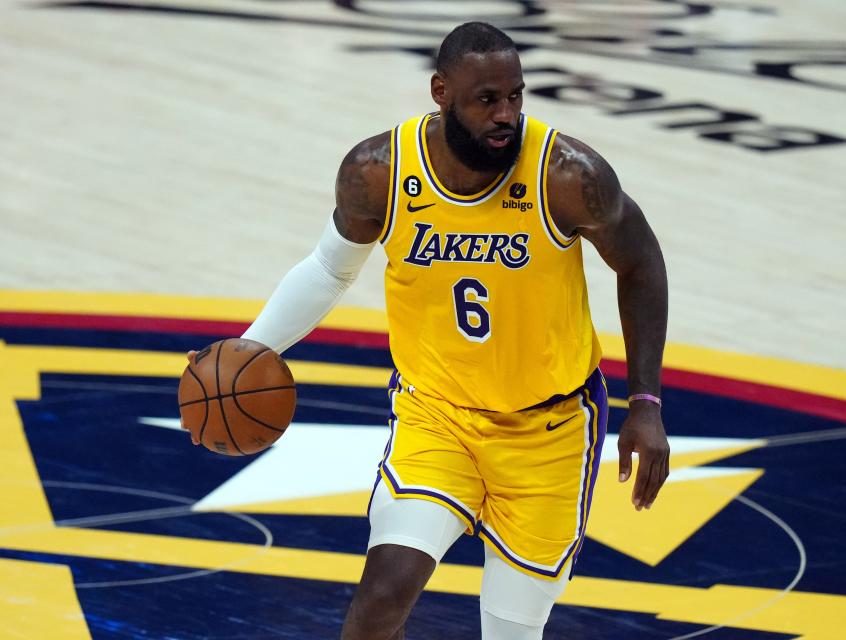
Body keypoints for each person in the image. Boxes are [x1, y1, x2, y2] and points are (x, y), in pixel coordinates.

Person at [188, 21, 669, 640]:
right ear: (441, 92)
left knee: (510, 632)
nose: (506, 115)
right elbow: (329, 269)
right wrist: (251, 348)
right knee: (383, 592)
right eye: (487, 99)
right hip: (435, 417)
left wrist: (647, 404)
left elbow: (641, 264)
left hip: (548, 432)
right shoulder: (378, 171)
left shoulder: (567, 176)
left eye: (516, 96)